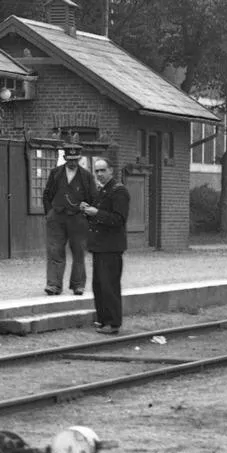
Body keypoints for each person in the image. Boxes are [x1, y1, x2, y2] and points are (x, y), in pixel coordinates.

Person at [80, 158, 131, 334]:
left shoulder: (119, 191)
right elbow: (99, 215)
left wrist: (97, 213)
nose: (99, 174)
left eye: (103, 170)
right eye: (97, 171)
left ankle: (113, 322)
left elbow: (119, 219)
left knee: (109, 286)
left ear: (111, 171)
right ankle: (103, 319)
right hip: (100, 246)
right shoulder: (103, 191)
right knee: (99, 285)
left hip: (111, 247)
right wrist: (88, 211)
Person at [41, 143, 98, 296]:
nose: (73, 163)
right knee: (55, 251)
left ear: (79, 158)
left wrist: (87, 211)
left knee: (79, 252)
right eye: (70, 159)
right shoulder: (55, 173)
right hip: (57, 218)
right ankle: (53, 284)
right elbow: (47, 195)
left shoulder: (87, 176)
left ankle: (78, 285)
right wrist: (49, 214)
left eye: (76, 159)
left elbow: (94, 198)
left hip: (78, 219)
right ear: (65, 158)